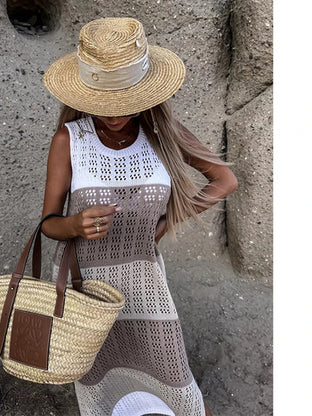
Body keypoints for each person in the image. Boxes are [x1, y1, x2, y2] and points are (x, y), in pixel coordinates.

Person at [40, 17, 238, 416]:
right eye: (103, 103)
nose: (114, 115)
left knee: (178, 386)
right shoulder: (69, 141)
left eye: (125, 102)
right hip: (86, 289)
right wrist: (75, 225)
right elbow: (48, 224)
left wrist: (165, 224)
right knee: (102, 387)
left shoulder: (164, 134)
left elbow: (225, 180)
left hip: (146, 285)